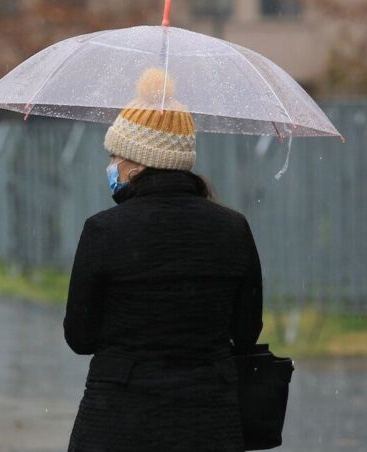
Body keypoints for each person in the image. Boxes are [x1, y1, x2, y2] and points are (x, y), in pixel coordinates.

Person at [64, 69, 263, 451]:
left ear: (138, 163)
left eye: (115, 156)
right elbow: (246, 330)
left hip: (118, 421)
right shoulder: (232, 228)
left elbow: (80, 337)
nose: (111, 166)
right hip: (209, 421)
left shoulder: (104, 230)